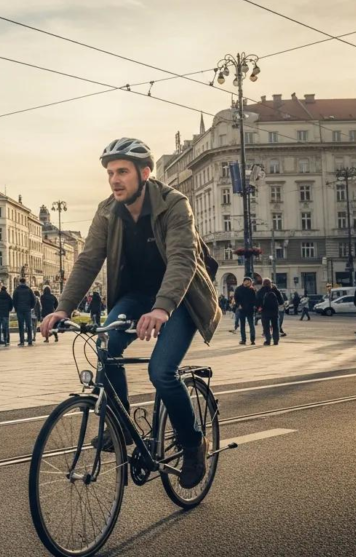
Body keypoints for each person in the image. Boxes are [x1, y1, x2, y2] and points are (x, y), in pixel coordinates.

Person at [39, 137, 219, 489]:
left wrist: (163, 308)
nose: (115, 179)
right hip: (136, 297)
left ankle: (194, 443)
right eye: (110, 173)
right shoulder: (107, 210)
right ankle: (120, 428)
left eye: (122, 171)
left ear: (145, 173)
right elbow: (89, 259)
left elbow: (182, 260)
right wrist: (62, 309)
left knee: (161, 372)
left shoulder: (174, 204)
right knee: (105, 348)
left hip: (179, 299)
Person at [257, 278, 284, 346]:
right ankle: (276, 340)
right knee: (275, 326)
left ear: (263, 283)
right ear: (270, 283)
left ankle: (268, 340)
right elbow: (281, 301)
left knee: (266, 327)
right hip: (274, 311)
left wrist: (259, 307)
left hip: (265, 311)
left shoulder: (261, 291)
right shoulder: (275, 290)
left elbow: (257, 301)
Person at [12, 277, 36, 346]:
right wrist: (31, 307)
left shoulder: (16, 290)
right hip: (27, 309)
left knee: (21, 325)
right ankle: (30, 341)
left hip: (19, 310)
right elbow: (34, 299)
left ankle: (22, 341)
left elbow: (14, 300)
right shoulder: (29, 290)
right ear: (25, 282)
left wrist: (16, 308)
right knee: (29, 325)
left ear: (20, 282)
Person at [233, 278, 257, 345]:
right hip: (242, 309)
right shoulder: (238, 289)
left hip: (250, 310)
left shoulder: (252, 289)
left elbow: (255, 299)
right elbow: (236, 298)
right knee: (242, 325)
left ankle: (252, 339)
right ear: (244, 282)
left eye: (250, 282)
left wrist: (254, 306)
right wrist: (238, 304)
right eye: (248, 282)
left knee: (251, 325)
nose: (249, 284)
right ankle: (243, 340)